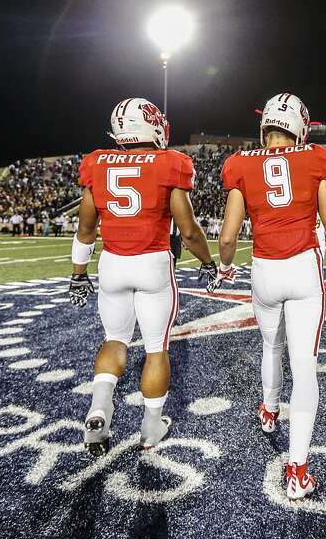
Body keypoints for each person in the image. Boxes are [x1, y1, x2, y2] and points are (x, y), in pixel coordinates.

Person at [69, 97, 217, 458]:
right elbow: (189, 229)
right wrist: (208, 262)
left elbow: (86, 228)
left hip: (113, 263)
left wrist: (78, 274)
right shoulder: (171, 163)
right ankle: (151, 427)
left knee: (115, 340)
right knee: (156, 348)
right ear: (152, 124)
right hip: (152, 262)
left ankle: (100, 407)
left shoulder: (97, 163)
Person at [214, 93, 326, 500]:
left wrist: (226, 265)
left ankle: (269, 411)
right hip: (303, 266)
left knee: (271, 345)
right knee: (304, 364)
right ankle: (297, 468)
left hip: (264, 269)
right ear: (301, 127)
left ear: (264, 125)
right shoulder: (317, 157)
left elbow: (228, 235)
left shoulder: (240, 164)